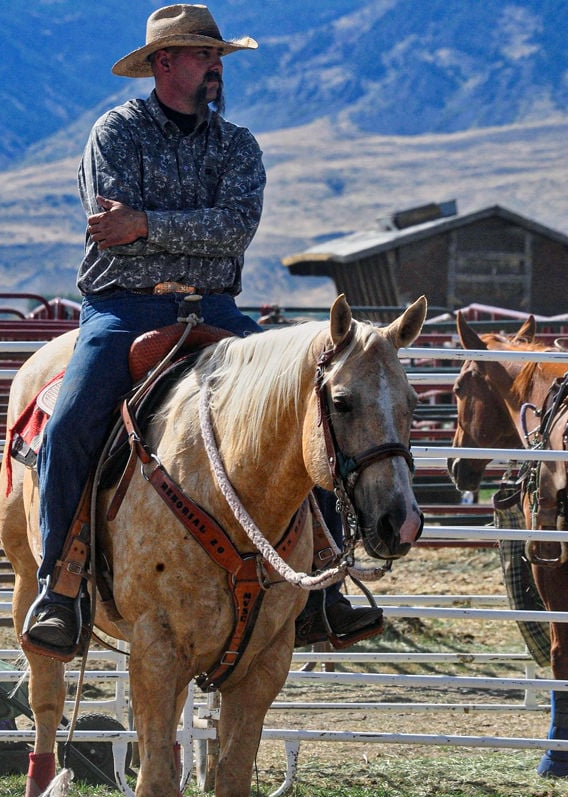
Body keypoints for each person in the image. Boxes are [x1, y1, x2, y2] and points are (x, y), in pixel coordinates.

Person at [25, 4, 379, 653]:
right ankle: (60, 582)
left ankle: (324, 585)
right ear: (165, 64)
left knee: (306, 402)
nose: (216, 68)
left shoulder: (239, 146)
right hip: (122, 308)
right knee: (71, 418)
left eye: (217, 57)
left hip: (214, 306)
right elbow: (115, 235)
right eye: (203, 56)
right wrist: (161, 232)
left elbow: (235, 230)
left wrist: (147, 224)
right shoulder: (114, 134)